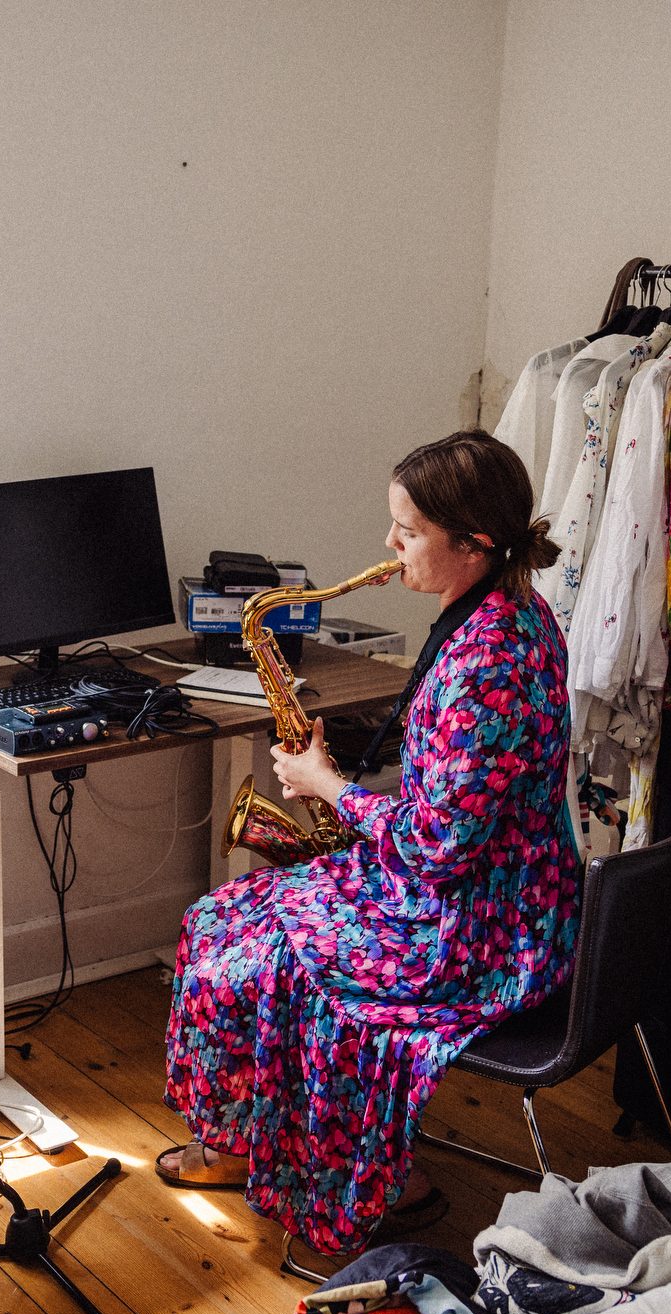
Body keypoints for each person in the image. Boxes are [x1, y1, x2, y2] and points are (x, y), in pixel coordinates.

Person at [158, 429, 582, 1255]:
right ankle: (254, 1138)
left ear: (474, 543)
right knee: (222, 917)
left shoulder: (489, 661)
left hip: (478, 932)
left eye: (409, 531)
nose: (389, 545)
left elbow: (436, 846)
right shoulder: (509, 611)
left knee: (253, 953)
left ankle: (364, 1178)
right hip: (487, 895)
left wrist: (330, 787)